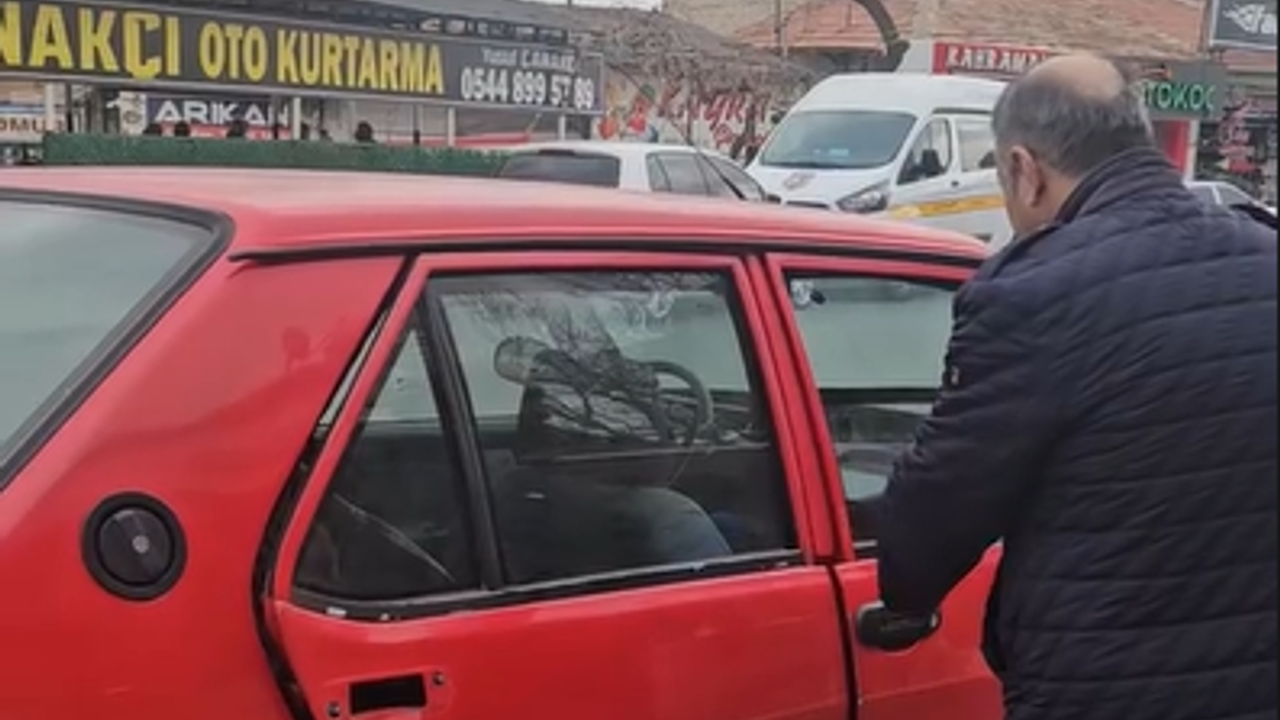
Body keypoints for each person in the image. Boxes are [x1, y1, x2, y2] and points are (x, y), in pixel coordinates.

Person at [867, 54, 1277, 720]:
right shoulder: (1265, 256)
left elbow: (944, 499)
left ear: (1024, 170)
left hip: (1102, 685)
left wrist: (906, 594)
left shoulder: (1035, 294)